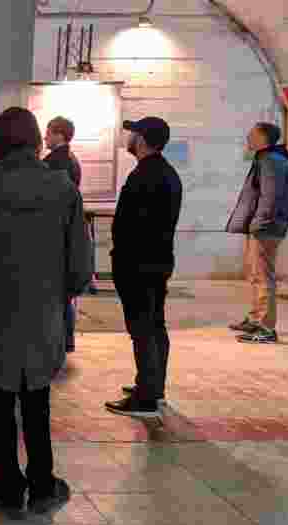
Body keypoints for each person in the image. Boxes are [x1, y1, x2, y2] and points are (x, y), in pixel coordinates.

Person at [0, 107, 92, 520]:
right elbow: (80, 267)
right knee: (37, 404)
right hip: (43, 317)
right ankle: (41, 484)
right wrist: (57, 295)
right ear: (36, 140)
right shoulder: (64, 190)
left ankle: (7, 485)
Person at [105, 117, 183, 418]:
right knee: (154, 326)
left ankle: (146, 397)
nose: (128, 137)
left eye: (133, 132)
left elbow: (131, 226)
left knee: (143, 329)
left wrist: (121, 257)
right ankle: (153, 385)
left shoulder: (145, 176)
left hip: (139, 266)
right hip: (156, 263)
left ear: (142, 139)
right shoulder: (165, 173)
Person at [226, 122, 288, 344]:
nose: (248, 137)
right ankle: (256, 319)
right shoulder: (266, 158)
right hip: (262, 225)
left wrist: (259, 224)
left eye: (252, 134)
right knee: (255, 274)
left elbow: (270, 197)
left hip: (266, 227)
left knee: (263, 277)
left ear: (263, 138)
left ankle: (266, 328)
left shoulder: (272, 160)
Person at [43, 116, 83, 356]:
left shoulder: (55, 163)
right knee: (64, 294)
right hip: (66, 231)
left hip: (54, 234)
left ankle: (63, 340)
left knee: (57, 295)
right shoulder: (72, 160)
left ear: (59, 134)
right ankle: (67, 340)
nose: (45, 137)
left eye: (48, 132)